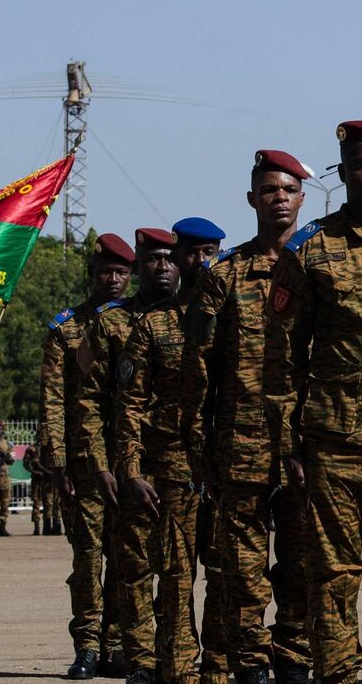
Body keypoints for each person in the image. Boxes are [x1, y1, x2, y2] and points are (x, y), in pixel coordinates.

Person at [267, 120, 362, 684]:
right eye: (361, 165)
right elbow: (281, 358)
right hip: (334, 444)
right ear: (344, 171)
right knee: (333, 576)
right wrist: (290, 445)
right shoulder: (310, 251)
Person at [182, 150, 314, 684]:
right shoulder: (227, 275)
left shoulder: (321, 266)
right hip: (241, 446)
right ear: (252, 199)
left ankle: (296, 659)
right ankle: (253, 665)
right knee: (243, 568)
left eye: (287, 190)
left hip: (310, 443)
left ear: (301, 198)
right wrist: (199, 447)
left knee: (303, 563)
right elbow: (199, 373)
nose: (279, 199)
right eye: (268, 190)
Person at [84, 228, 183, 684]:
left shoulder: (195, 318)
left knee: (180, 570)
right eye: (152, 260)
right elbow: (90, 403)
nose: (162, 267)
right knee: (133, 565)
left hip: (185, 463)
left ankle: (174, 655)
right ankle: (136, 657)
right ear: (137, 266)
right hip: (130, 462)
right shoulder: (109, 323)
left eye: (169, 259)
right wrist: (103, 464)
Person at [41, 233, 137, 678]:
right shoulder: (67, 328)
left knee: (127, 555)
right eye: (106, 272)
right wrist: (58, 462)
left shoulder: (141, 322)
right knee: (87, 556)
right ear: (92, 274)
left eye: (121, 272)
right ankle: (87, 644)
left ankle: (117, 644)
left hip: (131, 460)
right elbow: (54, 400)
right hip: (81, 464)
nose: (114, 279)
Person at [158, 219, 223, 684]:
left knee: (226, 572)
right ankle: (178, 666)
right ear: (177, 257)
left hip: (227, 464)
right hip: (174, 466)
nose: (201, 262)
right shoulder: (154, 323)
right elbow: (131, 404)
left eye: (210, 252)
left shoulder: (237, 315)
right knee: (177, 573)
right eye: (193, 253)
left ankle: (219, 666)